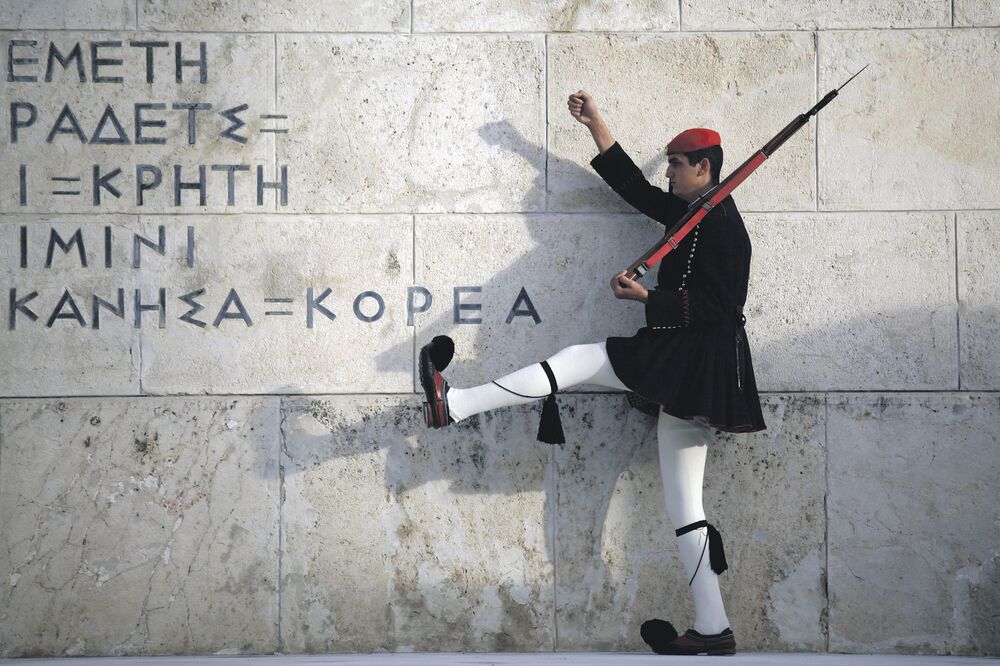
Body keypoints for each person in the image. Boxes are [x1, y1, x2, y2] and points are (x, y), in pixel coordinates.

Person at [418, 89, 766, 656]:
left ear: (704, 168)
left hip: (690, 364)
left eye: (678, 165)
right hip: (691, 375)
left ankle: (453, 405)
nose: (671, 173)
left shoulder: (724, 225)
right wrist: (595, 124)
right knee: (686, 507)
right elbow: (632, 187)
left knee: (579, 360)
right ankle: (713, 628)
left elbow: (721, 310)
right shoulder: (696, 212)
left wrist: (644, 299)